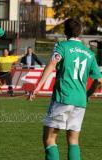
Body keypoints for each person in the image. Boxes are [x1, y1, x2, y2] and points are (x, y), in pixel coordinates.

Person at [29, 18, 102, 160]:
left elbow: (51, 65)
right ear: (80, 32)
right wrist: (88, 94)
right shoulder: (89, 53)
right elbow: (99, 80)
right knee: (73, 141)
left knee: (49, 139)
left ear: (65, 31)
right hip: (80, 101)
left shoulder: (61, 46)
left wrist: (38, 87)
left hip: (63, 98)